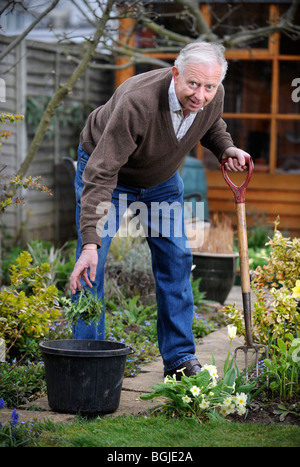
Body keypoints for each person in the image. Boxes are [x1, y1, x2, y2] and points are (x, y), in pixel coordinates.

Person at [69, 41, 250, 380]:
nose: (201, 94)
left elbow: (210, 124)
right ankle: (86, 360)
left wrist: (225, 147)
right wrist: (91, 243)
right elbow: (102, 171)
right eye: (193, 84)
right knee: (92, 263)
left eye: (209, 86)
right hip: (109, 174)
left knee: (176, 260)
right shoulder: (138, 101)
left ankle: (180, 358)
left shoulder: (213, 93)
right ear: (176, 73)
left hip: (160, 181)